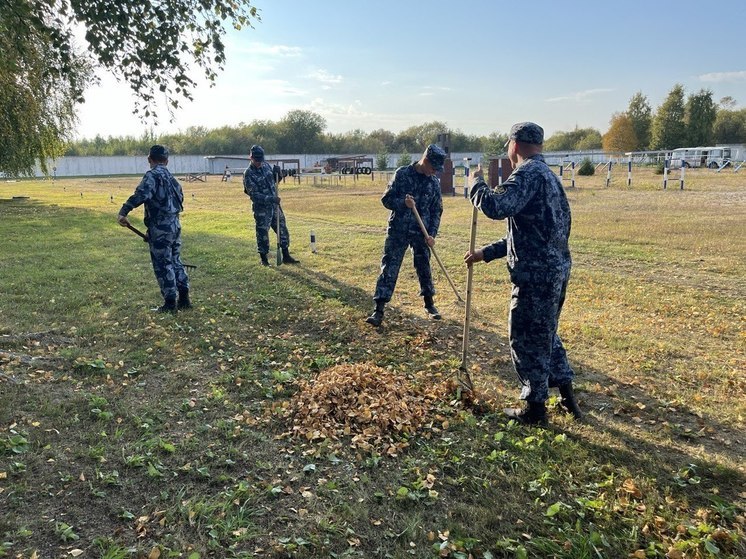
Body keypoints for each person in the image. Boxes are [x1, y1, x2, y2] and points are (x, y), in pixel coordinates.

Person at [464, 122, 582, 425]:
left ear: (514, 145)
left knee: (525, 338)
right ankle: (568, 398)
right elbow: (528, 234)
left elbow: (495, 205)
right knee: (546, 335)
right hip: (555, 271)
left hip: (535, 276)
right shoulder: (550, 178)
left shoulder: (528, 173)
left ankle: (535, 409)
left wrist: (475, 183)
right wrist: (484, 254)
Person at [366, 144, 446, 327]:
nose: (434, 172)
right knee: (390, 266)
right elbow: (386, 199)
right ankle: (378, 309)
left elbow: (437, 210)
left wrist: (432, 234)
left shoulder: (433, 183)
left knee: (424, 266)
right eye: (433, 168)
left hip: (421, 232)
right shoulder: (402, 174)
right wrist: (403, 203)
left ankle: (429, 304)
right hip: (399, 231)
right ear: (425, 160)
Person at [117, 145, 191, 313]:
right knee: (175, 261)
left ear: (149, 159)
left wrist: (124, 211)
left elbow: (141, 195)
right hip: (174, 225)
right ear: (167, 160)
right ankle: (185, 298)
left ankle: (170, 303)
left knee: (163, 264)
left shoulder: (152, 176)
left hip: (161, 227)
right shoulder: (173, 179)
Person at [243, 145, 299, 266]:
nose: (258, 163)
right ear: (251, 158)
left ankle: (286, 255)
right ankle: (264, 259)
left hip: (275, 206)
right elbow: (254, 195)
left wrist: (278, 175)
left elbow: (274, 182)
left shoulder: (266, 166)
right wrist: (271, 199)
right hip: (262, 209)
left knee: (282, 229)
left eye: (260, 160)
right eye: (256, 160)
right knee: (263, 233)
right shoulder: (248, 174)